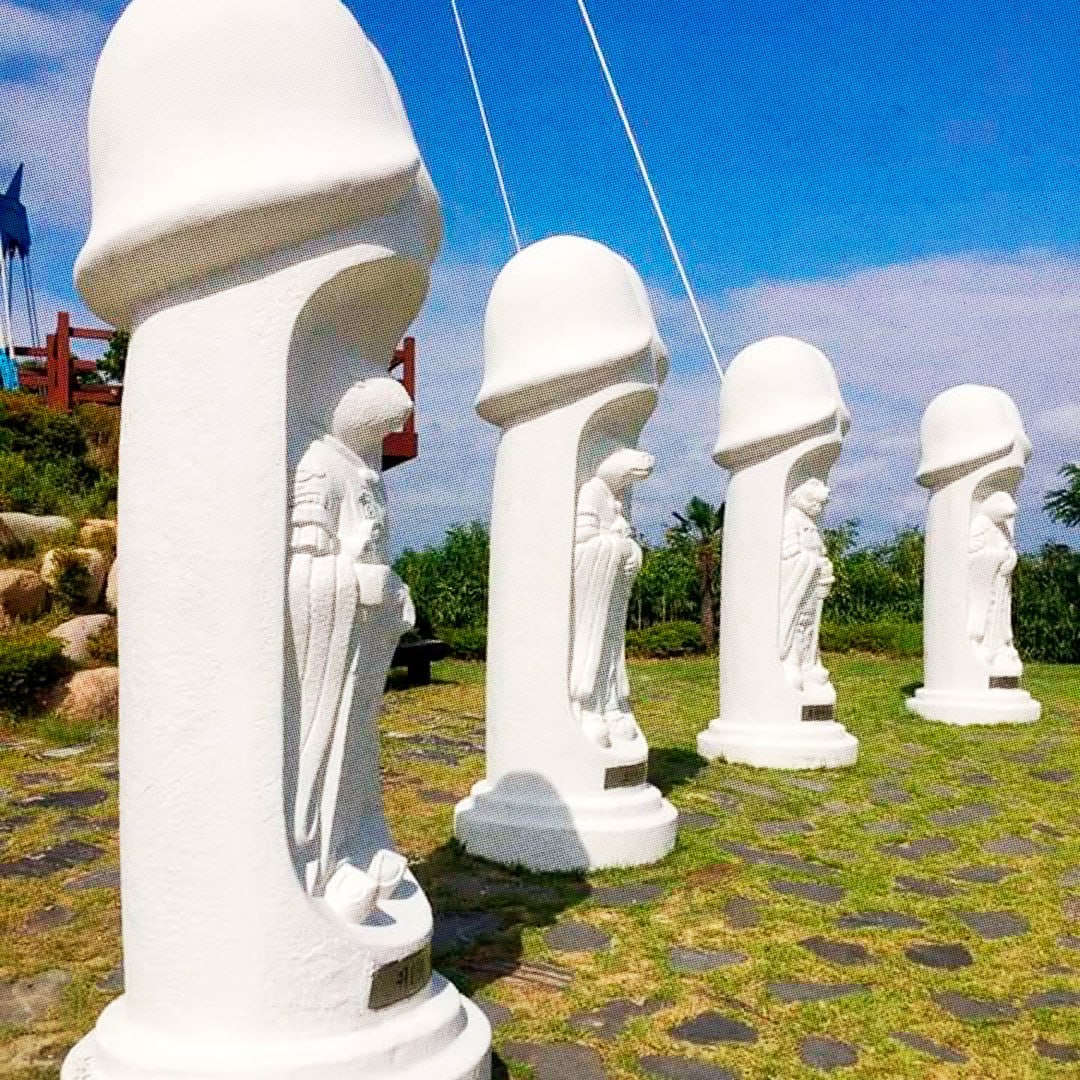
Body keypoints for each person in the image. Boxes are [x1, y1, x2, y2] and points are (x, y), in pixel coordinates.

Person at [288, 378, 415, 918]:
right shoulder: (319, 465)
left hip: (366, 637)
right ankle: (323, 859)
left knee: (360, 740)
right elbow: (305, 568)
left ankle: (357, 841)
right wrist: (356, 583)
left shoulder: (368, 475)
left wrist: (392, 591)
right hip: (333, 640)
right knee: (332, 739)